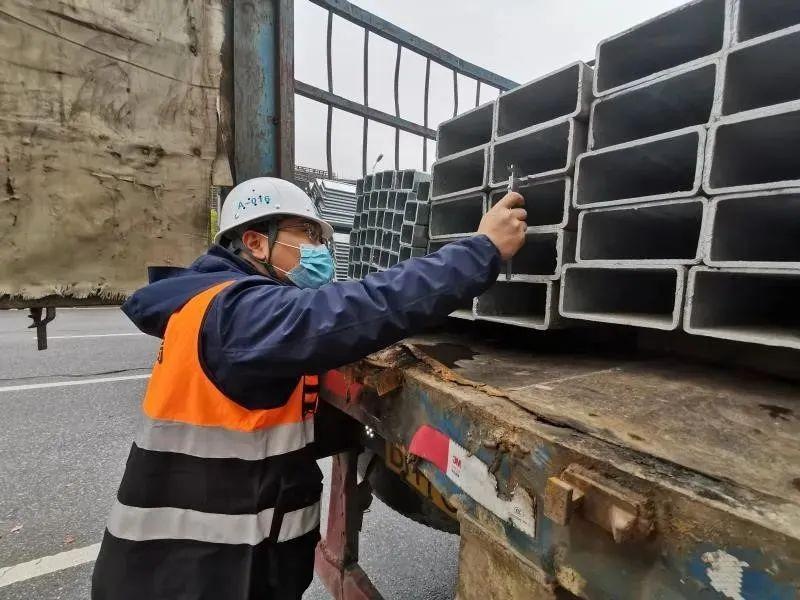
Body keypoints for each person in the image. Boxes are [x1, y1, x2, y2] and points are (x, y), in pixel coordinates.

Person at [91, 177, 526, 599]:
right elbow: (360, 308)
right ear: (256, 242)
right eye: (306, 234)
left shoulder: (215, 305)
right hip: (195, 578)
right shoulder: (239, 312)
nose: (320, 250)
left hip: (194, 566)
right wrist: (480, 251)